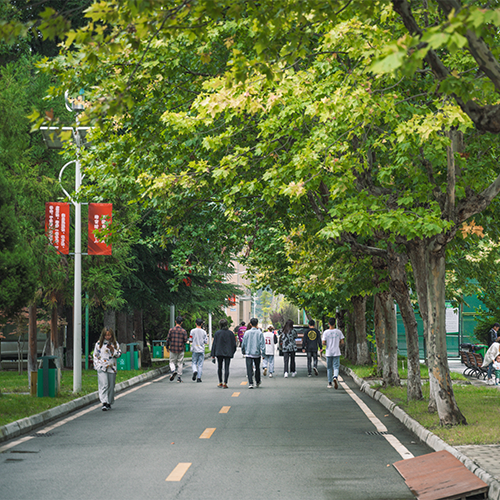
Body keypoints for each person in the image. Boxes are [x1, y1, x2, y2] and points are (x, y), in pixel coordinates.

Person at [93, 327, 122, 411]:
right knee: (104, 385)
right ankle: (104, 402)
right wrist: (98, 366)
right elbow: (95, 355)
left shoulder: (115, 344)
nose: (107, 337)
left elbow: (119, 354)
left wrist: (113, 350)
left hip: (111, 367)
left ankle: (109, 402)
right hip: (102, 367)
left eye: (109, 335)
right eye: (106, 335)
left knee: (111, 386)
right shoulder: (99, 344)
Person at [211, 318, 237, 388]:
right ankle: (225, 382)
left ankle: (220, 382)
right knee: (226, 368)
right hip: (228, 352)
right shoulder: (231, 333)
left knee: (219, 367)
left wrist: (213, 354)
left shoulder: (217, 333)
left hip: (219, 352)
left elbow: (214, 344)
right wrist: (232, 352)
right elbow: (234, 344)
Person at [241, 317, 265, 389]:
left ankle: (250, 383)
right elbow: (262, 344)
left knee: (249, 368)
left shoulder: (247, 333)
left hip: (248, 353)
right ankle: (257, 381)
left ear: (250, 324)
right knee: (257, 367)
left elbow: (243, 343)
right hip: (257, 353)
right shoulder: (260, 333)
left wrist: (243, 351)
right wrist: (263, 353)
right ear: (257, 324)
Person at [322, 318, 345, 389]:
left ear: (328, 323)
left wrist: (327, 344)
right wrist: (338, 344)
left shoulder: (326, 332)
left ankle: (330, 383)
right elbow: (342, 342)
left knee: (329, 368)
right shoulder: (338, 332)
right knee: (336, 366)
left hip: (329, 352)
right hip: (336, 351)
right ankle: (335, 376)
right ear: (335, 323)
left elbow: (323, 342)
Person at [166, 316, 188, 383]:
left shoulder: (171, 330)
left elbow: (168, 339)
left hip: (173, 348)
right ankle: (179, 377)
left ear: (175, 321)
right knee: (180, 363)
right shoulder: (183, 331)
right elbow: (185, 340)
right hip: (180, 349)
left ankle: (173, 371)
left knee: (172, 361)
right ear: (181, 323)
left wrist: (167, 346)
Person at [190, 318, 208, 383]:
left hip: (194, 349)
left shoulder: (192, 331)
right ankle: (199, 378)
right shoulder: (204, 332)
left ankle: (195, 371)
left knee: (194, 362)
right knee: (200, 364)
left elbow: (190, 339)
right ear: (202, 324)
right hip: (201, 350)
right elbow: (206, 341)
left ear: (195, 323)